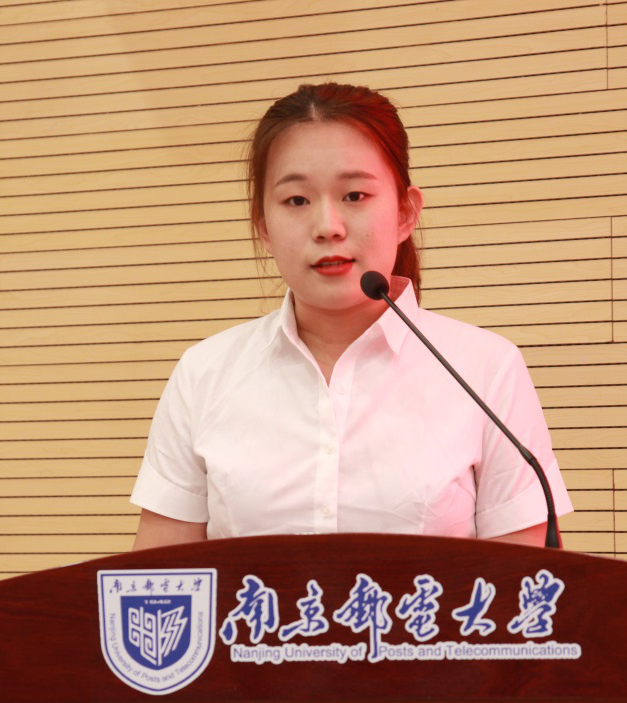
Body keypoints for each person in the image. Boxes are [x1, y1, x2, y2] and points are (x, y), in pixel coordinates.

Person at [130, 82, 572, 550]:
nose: (327, 227)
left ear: (405, 213)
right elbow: (159, 579)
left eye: (355, 195)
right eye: (296, 201)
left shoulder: (486, 370)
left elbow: (527, 584)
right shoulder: (203, 375)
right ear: (264, 228)